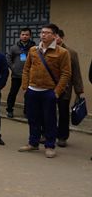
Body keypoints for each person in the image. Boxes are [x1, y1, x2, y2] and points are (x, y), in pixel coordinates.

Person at [19, 24, 71, 158]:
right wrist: (25, 87)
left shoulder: (62, 52)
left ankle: (50, 146)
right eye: (42, 32)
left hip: (49, 91)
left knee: (50, 120)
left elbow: (66, 74)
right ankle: (33, 143)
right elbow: (26, 69)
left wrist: (57, 92)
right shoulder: (33, 50)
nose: (43, 35)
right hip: (32, 90)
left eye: (47, 33)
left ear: (54, 35)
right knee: (33, 118)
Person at [55, 29, 85, 147]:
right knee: (48, 112)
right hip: (49, 87)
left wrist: (79, 91)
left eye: (57, 36)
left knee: (63, 113)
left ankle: (62, 137)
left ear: (62, 38)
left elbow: (76, 73)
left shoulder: (71, 53)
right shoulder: (46, 51)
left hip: (65, 89)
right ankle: (47, 134)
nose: (55, 39)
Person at [6, 28, 36, 118]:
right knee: (13, 93)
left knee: (28, 94)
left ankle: (27, 111)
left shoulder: (34, 48)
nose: (24, 36)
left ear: (30, 36)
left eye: (27, 35)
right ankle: (9, 110)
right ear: (20, 35)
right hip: (16, 75)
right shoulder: (14, 47)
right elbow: (8, 58)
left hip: (29, 75)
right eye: (23, 34)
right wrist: (13, 68)